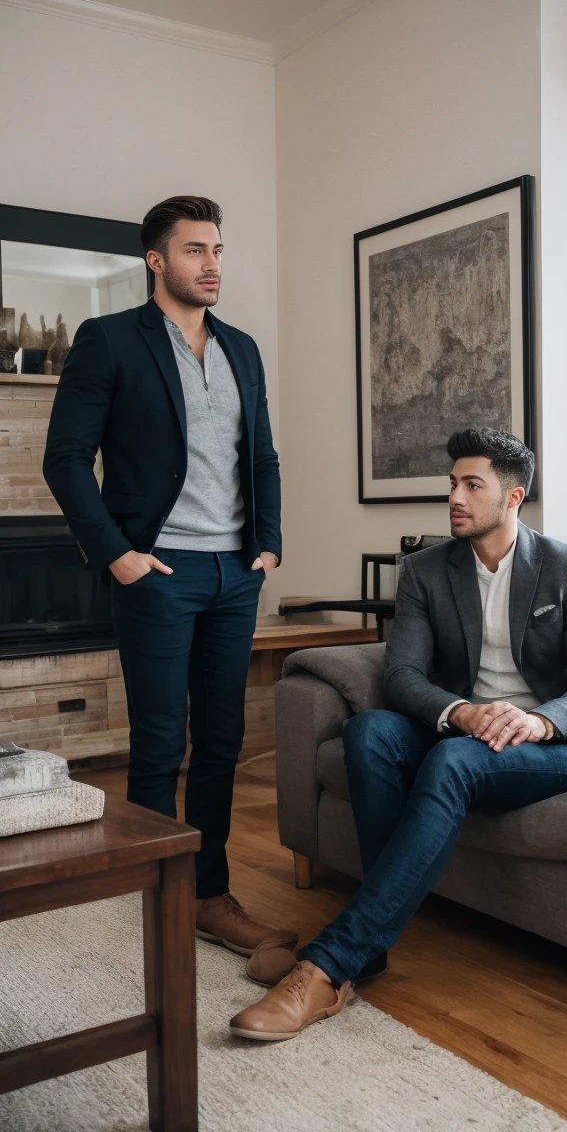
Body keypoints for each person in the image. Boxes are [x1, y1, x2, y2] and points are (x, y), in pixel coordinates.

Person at [229, 427, 567, 1040]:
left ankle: (330, 963)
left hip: (542, 745)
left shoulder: (566, 566)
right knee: (368, 734)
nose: (455, 498)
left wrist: (539, 719)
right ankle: (370, 949)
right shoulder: (425, 571)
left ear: (513, 498)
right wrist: (462, 712)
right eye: (452, 484)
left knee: (452, 765)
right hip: (460, 728)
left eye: (472, 485)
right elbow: (403, 674)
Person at [44, 196, 297, 981]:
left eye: (217, 249)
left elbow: (263, 457)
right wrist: (117, 553)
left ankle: (209, 893)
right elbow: (65, 457)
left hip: (233, 573)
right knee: (159, 742)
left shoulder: (243, 349)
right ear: (157, 260)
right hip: (157, 570)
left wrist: (269, 544)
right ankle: (152, 893)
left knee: (222, 740)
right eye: (195, 251)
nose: (213, 264)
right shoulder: (110, 340)